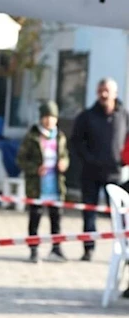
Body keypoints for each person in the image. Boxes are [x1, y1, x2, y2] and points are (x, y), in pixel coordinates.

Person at [70, 77, 129, 261]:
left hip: (115, 173)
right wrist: (89, 159)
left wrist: (123, 160)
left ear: (115, 94)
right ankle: (88, 249)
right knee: (89, 213)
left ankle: (122, 251)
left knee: (119, 215)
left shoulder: (123, 115)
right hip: (91, 173)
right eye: (100, 91)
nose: (103, 94)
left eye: (107, 91)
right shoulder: (87, 116)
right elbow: (76, 142)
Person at [17, 100, 70, 263]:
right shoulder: (32, 136)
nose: (49, 121)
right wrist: (35, 169)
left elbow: (65, 156)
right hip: (37, 186)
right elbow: (21, 159)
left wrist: (64, 164)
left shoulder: (60, 137)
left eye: (52, 117)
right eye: (46, 117)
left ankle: (56, 249)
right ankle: (33, 250)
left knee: (56, 219)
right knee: (35, 218)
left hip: (55, 185)